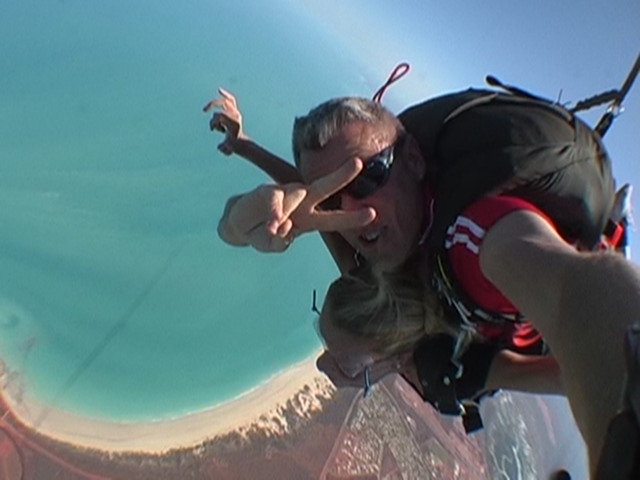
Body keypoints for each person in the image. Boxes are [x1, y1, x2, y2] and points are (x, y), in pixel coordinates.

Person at [204, 84, 640, 474]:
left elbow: (573, 291)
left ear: (413, 159)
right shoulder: (388, 266)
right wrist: (243, 164)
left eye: (369, 175)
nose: (353, 209)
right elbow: (300, 193)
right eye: (334, 195)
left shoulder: (475, 245)